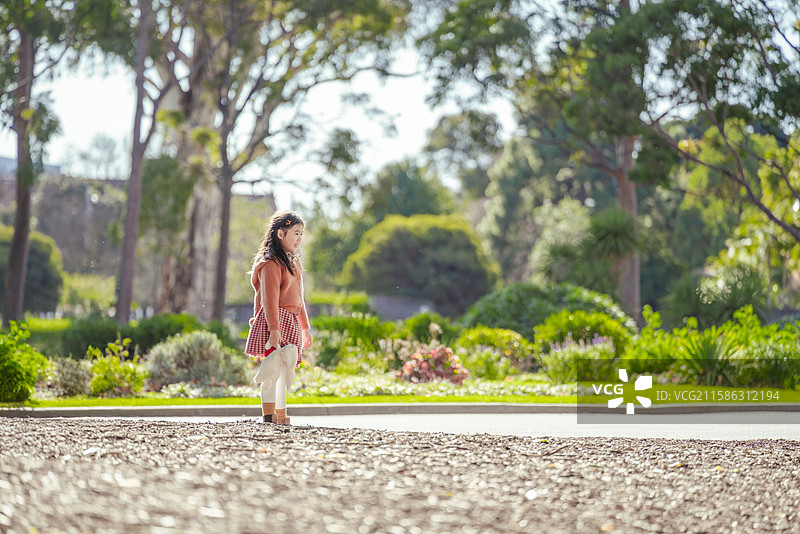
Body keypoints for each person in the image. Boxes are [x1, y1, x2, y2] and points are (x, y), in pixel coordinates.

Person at [244, 211, 312, 425]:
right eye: (295, 233)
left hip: (290, 321)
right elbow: (269, 299)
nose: (299, 238)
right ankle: (268, 415)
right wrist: (274, 329)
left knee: (285, 369)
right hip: (273, 320)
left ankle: (281, 414)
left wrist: (305, 328)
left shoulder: (293, 262)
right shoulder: (271, 264)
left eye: (301, 234)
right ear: (281, 234)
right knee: (271, 369)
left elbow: (298, 299)